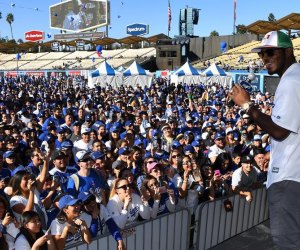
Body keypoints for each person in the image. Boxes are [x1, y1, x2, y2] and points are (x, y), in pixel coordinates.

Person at [229, 30, 300, 249]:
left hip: (288, 179)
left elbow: (280, 132)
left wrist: (247, 106)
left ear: (288, 51)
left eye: (270, 52)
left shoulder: (291, 81)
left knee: (287, 244)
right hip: (294, 174)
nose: (265, 58)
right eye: (262, 54)